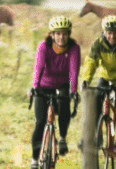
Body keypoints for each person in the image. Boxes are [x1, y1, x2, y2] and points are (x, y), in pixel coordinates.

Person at [80, 15, 116, 163]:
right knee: (95, 103)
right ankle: (96, 137)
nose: (112, 36)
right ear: (104, 32)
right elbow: (91, 62)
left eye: (115, 33)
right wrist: (86, 79)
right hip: (105, 77)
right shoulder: (98, 43)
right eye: (109, 32)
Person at [27, 16, 81, 169]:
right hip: (44, 85)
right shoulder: (44, 46)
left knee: (64, 106)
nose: (61, 37)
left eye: (64, 34)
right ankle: (34, 159)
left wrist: (73, 91)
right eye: (57, 34)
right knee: (40, 123)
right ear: (51, 35)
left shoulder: (74, 48)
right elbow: (38, 67)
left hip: (62, 85)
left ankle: (62, 138)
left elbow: (73, 71)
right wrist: (35, 87)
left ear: (69, 34)